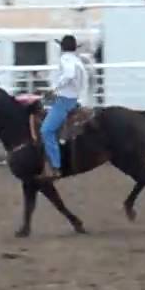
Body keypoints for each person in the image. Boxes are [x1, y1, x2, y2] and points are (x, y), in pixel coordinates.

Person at [40, 35, 88, 181]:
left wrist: (54, 88)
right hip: (73, 98)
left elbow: (69, 74)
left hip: (64, 100)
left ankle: (56, 166)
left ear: (62, 47)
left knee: (46, 130)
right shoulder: (77, 60)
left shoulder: (66, 59)